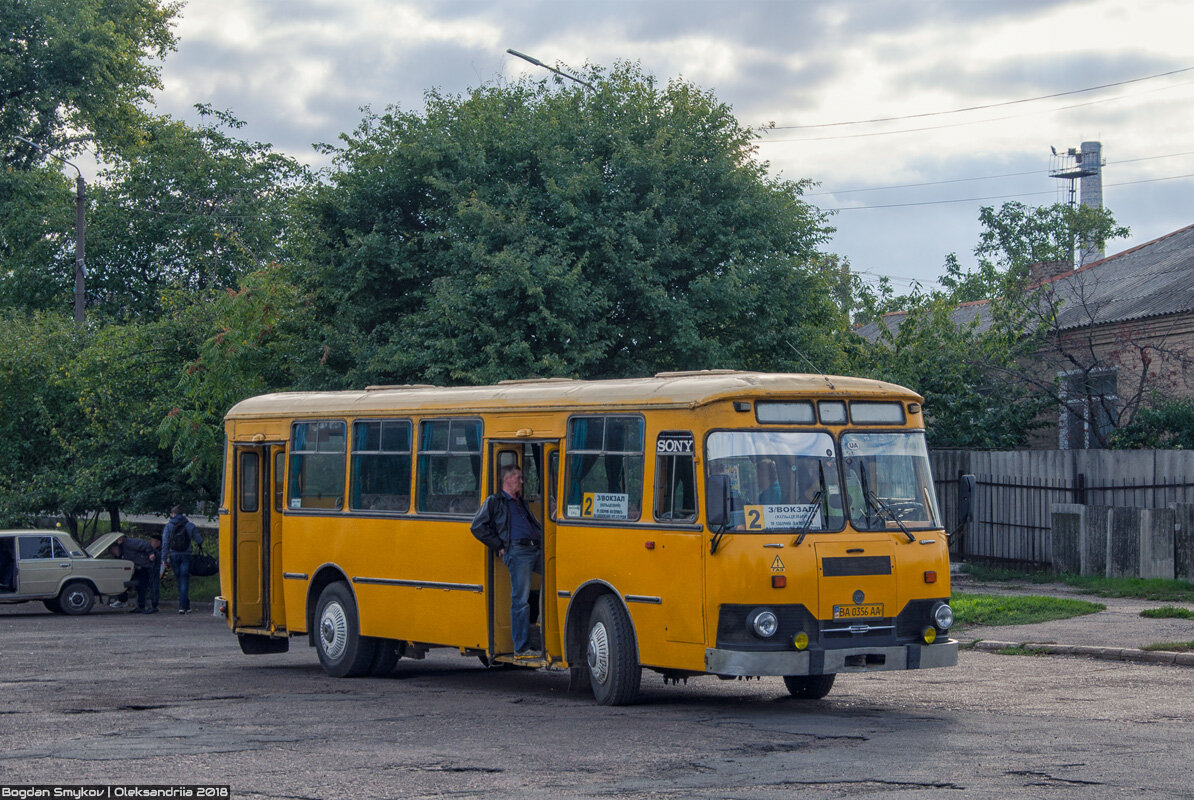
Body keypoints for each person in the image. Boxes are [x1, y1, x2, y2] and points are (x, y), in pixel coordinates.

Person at [470, 465, 542, 658]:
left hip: (534, 548)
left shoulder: (520, 502)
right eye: (518, 477)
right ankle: (521, 647)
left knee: (556, 579)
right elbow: (477, 526)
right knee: (520, 600)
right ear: (507, 479)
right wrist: (499, 545)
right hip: (517, 551)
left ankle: (544, 624)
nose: (521, 481)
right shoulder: (496, 501)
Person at [161, 506, 201, 614]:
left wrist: (164, 559)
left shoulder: (169, 526)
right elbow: (199, 540)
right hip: (186, 556)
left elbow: (165, 544)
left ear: (173, 514)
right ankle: (184, 606)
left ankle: (183, 606)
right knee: (184, 580)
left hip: (174, 556)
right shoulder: (189, 525)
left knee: (179, 580)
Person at [113, 535, 158, 613]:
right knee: (140, 587)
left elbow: (145, 545)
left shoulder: (129, 543)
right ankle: (141, 606)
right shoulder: (123, 549)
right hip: (138, 566)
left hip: (146, 564)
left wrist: (150, 554)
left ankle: (153, 606)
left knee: (151, 584)